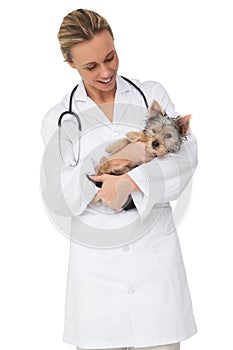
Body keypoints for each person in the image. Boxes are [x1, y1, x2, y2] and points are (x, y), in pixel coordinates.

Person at [40, 9, 198, 350]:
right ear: (70, 64)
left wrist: (131, 182)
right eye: (91, 66)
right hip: (96, 282)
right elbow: (58, 196)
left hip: (154, 271)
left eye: (110, 57)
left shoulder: (150, 94)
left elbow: (186, 159)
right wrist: (98, 184)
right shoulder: (59, 119)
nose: (106, 71)